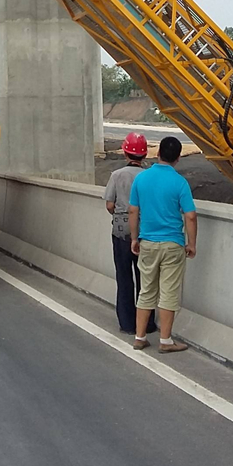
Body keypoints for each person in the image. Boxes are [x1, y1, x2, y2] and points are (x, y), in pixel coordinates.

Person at [129, 135, 197, 352]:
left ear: (157, 154)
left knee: (146, 290)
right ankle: (165, 341)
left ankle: (140, 337)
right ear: (178, 158)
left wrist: (134, 237)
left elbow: (133, 210)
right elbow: (191, 216)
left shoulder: (141, 179)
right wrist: (191, 243)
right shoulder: (180, 182)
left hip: (147, 241)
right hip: (173, 243)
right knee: (168, 292)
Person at [103, 132, 156, 336]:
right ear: (144, 155)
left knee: (124, 278)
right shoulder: (149, 175)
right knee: (145, 279)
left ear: (125, 152)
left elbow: (109, 205)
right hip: (146, 231)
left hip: (121, 232)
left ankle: (126, 323)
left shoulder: (116, 175)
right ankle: (147, 323)